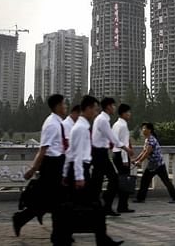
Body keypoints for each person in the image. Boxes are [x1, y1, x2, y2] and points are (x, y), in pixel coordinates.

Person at [55, 95, 123, 246]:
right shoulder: (81, 128)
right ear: (87, 108)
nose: (95, 112)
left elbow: (71, 153)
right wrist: (79, 177)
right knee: (92, 206)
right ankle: (65, 236)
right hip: (79, 171)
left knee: (79, 206)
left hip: (76, 170)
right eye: (94, 108)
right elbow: (77, 155)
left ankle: (65, 236)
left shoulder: (81, 126)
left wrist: (67, 173)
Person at [12, 94, 67, 240]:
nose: (65, 107)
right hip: (51, 166)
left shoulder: (58, 122)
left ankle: (21, 219)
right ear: (57, 106)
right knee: (57, 203)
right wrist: (33, 169)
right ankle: (59, 236)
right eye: (63, 104)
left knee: (51, 202)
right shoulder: (51, 124)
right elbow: (43, 150)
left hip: (57, 164)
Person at [91, 98, 133, 216]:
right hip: (100, 154)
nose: (114, 108)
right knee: (113, 179)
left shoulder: (104, 120)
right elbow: (113, 138)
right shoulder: (103, 120)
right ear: (108, 107)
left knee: (98, 181)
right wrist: (126, 149)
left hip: (100, 153)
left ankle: (99, 205)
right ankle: (105, 205)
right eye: (113, 106)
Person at [132, 122, 175, 204]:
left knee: (149, 180)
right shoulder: (147, 139)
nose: (143, 130)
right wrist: (136, 159)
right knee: (148, 180)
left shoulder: (151, 139)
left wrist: (139, 161)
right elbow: (144, 151)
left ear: (149, 130)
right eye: (142, 128)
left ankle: (140, 198)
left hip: (157, 164)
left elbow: (147, 152)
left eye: (144, 128)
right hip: (156, 164)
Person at [112, 103, 134, 213]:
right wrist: (126, 160)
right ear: (123, 113)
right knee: (125, 181)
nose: (130, 114)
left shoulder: (116, 124)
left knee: (120, 180)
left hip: (115, 154)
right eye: (128, 112)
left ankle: (122, 205)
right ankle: (123, 205)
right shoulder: (123, 126)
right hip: (122, 156)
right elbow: (123, 144)